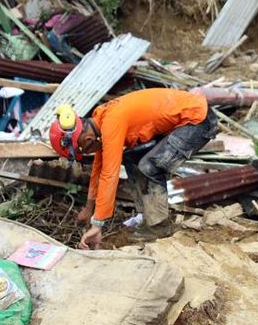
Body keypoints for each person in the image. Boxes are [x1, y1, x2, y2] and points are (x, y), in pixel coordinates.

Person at [48, 88, 218, 249]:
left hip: (197, 120)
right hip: (185, 119)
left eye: (84, 151)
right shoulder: (100, 121)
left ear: (87, 139)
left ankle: (159, 226)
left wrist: (97, 224)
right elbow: (98, 170)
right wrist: (88, 208)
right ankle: (147, 216)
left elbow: (110, 174)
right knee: (130, 159)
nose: (87, 153)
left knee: (149, 167)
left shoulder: (111, 123)